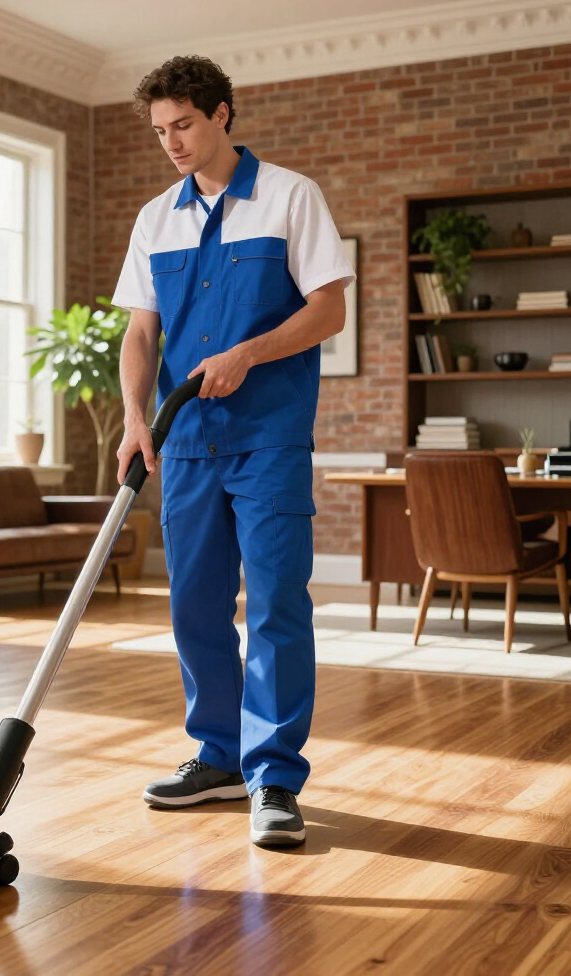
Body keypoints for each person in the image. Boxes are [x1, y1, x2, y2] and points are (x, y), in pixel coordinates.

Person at [113, 56, 354, 847]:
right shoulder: (157, 219)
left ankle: (275, 777)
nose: (171, 143)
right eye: (159, 131)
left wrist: (248, 353)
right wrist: (133, 419)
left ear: (222, 115)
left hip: (267, 440)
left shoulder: (290, 197)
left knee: (278, 600)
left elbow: (327, 313)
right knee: (194, 607)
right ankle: (217, 757)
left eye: (183, 124)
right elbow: (140, 332)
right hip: (184, 447)